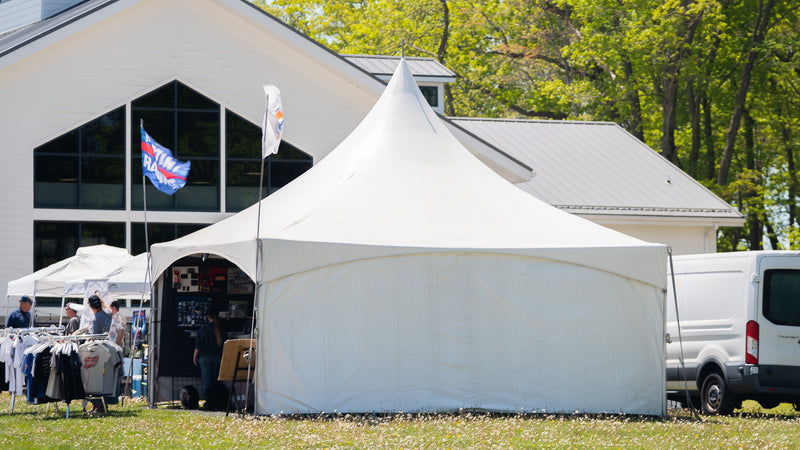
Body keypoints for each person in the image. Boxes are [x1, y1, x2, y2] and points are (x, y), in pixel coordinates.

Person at [193, 311, 224, 398]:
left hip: (204, 358)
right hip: (217, 357)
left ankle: (209, 401)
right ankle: (216, 401)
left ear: (208, 316)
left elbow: (198, 345)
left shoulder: (204, 329)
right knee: (216, 381)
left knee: (207, 382)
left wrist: (194, 356)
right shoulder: (220, 329)